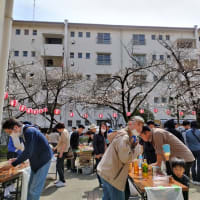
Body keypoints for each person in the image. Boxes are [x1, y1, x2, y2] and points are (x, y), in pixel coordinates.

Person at [2, 118, 53, 200]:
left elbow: (28, 152)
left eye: (9, 132)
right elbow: (28, 151)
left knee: (34, 190)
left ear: (15, 127)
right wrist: (17, 159)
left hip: (43, 161)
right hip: (36, 161)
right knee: (30, 188)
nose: (10, 135)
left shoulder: (29, 132)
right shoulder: (25, 132)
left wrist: (14, 163)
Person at [97, 116, 144, 200]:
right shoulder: (124, 137)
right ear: (130, 124)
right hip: (113, 176)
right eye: (138, 125)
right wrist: (138, 149)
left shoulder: (125, 135)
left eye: (142, 125)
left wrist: (132, 146)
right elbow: (125, 158)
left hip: (106, 172)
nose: (141, 128)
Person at [53, 123, 70, 187]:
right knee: (61, 166)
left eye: (57, 129)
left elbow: (64, 144)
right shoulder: (65, 131)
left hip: (62, 151)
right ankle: (61, 179)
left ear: (60, 128)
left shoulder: (63, 133)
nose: (57, 130)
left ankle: (62, 181)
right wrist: (56, 147)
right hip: (62, 150)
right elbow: (61, 142)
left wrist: (61, 153)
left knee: (58, 166)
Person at [93, 122, 107, 187]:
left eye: (105, 126)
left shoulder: (105, 135)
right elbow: (94, 145)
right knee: (99, 169)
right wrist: (97, 154)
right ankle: (100, 182)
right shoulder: (96, 135)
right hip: (99, 155)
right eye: (102, 126)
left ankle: (104, 181)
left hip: (105, 155)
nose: (103, 128)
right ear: (100, 127)